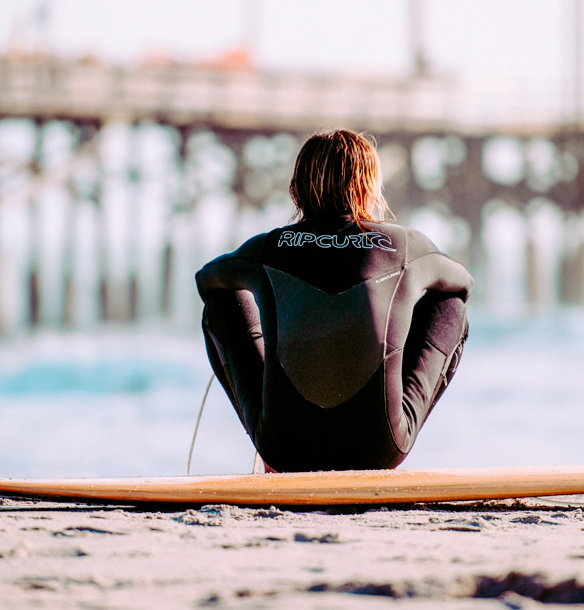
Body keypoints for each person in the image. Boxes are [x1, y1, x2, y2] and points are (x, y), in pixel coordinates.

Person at [195, 129, 473, 473]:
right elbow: (462, 284)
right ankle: (391, 426)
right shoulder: (402, 246)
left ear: (297, 187)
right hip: (378, 450)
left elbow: (206, 280)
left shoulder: (268, 248)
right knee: (450, 307)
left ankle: (268, 452)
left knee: (220, 306)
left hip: (284, 448)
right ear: (367, 186)